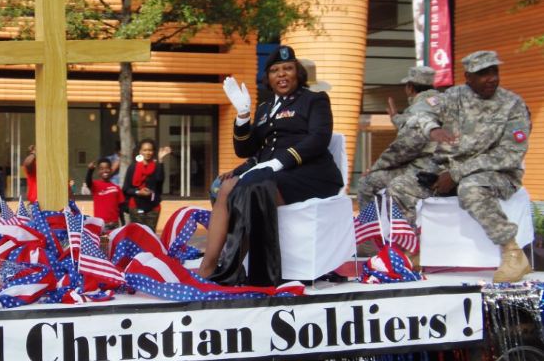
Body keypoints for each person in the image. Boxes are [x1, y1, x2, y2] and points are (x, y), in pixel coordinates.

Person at [197, 46, 343, 285]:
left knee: (250, 189)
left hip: (310, 174)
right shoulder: (265, 108)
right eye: (275, 70)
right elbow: (245, 150)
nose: (282, 74)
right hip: (271, 174)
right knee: (225, 188)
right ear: (269, 77)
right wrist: (243, 115)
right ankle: (208, 267)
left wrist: (277, 163)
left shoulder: (314, 100)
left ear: (298, 73)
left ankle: (242, 271)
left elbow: (318, 140)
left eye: (288, 68)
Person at [387, 50, 532, 282]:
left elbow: (510, 154)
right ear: (468, 77)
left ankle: (513, 252)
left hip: (498, 174)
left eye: (494, 71)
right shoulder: (453, 97)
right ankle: (414, 250)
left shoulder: (512, 105)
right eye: (483, 73)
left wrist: (457, 174)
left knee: (470, 188)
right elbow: (419, 113)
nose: (491, 78)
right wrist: (431, 128)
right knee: (398, 187)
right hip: (448, 169)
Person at [357, 66, 440, 209]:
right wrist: (396, 118)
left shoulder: (418, 110)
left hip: (426, 170)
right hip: (449, 168)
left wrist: (375, 168)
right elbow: (415, 129)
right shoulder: (442, 102)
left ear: (410, 87)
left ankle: (371, 227)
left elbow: (403, 149)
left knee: (368, 182)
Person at [122, 139, 171, 232]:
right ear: (140, 151)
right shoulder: (133, 167)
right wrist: (138, 192)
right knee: (137, 235)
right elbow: (126, 188)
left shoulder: (157, 166)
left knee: (150, 236)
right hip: (136, 207)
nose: (147, 152)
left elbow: (160, 180)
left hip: (153, 207)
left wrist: (160, 160)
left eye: (150, 150)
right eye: (145, 150)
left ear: (153, 152)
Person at [86, 157, 126, 232]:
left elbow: (121, 208)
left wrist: (123, 223)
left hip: (114, 225)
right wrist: (90, 170)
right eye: (101, 168)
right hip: (100, 224)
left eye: (107, 168)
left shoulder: (116, 188)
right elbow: (88, 182)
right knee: (102, 243)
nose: (105, 170)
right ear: (98, 171)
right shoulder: (95, 185)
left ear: (111, 170)